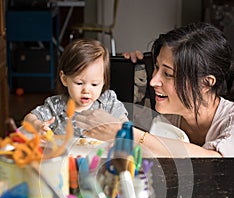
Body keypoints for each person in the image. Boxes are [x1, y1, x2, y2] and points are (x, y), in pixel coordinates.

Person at [76, 22, 234, 157]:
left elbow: (215, 161)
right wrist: (134, 68)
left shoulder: (230, 120)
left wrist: (126, 133)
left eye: (168, 74)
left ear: (206, 84)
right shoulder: (164, 114)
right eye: (156, 67)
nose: (153, 81)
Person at [23, 39, 128, 137]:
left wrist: (117, 130)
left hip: (100, 155)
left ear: (104, 81)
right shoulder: (56, 105)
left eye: (94, 84)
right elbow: (29, 118)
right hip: (65, 155)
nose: (86, 90)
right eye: (79, 83)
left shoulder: (108, 102)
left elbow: (126, 126)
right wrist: (38, 125)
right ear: (64, 79)